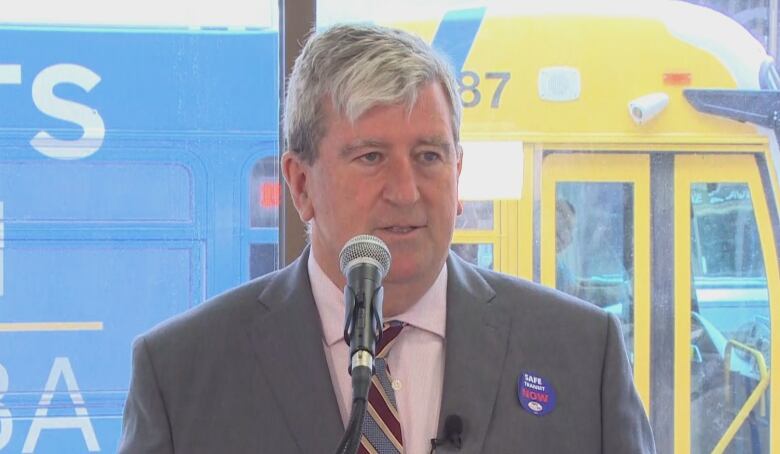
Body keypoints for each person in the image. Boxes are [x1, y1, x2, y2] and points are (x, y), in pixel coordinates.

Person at [119, 24, 655, 453]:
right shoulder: (181, 375)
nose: (406, 190)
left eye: (429, 156)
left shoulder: (583, 355)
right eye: (370, 157)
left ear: (458, 172)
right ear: (301, 184)